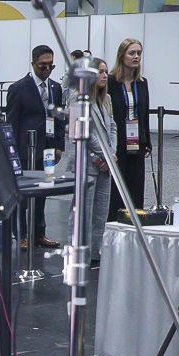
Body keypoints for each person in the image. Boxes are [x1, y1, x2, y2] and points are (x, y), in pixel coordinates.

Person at [5, 45, 66, 248]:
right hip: (25, 150)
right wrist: (11, 152)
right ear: (33, 64)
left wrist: (59, 146)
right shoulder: (18, 88)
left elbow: (59, 119)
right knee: (22, 194)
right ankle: (21, 234)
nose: (47, 70)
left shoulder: (56, 88)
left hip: (47, 150)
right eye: (43, 66)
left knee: (43, 193)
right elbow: (11, 123)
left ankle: (39, 233)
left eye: (51, 66)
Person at [59, 58, 113, 264]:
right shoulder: (77, 99)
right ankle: (76, 252)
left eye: (106, 72)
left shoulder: (105, 99)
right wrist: (102, 155)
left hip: (106, 164)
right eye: (100, 71)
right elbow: (81, 134)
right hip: (87, 164)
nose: (104, 75)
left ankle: (95, 252)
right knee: (82, 212)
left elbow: (113, 127)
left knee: (100, 213)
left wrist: (111, 152)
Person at [108, 38, 151, 219]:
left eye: (139, 53)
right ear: (122, 56)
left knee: (136, 184)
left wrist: (147, 142)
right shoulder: (110, 81)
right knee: (117, 185)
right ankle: (114, 221)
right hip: (117, 140)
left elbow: (144, 115)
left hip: (136, 141)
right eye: (132, 53)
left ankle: (135, 223)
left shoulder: (142, 82)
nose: (136, 57)